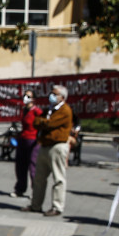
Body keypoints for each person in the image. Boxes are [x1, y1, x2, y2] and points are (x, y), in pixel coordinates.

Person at [28, 85, 73, 217]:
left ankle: (57, 207)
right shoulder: (49, 110)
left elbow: (50, 124)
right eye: (51, 93)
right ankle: (36, 204)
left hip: (57, 146)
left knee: (58, 178)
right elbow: (37, 122)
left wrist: (44, 122)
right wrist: (44, 121)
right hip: (45, 145)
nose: (51, 96)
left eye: (55, 94)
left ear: (62, 97)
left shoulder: (65, 110)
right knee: (39, 178)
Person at [11, 89, 42, 199]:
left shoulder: (36, 111)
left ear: (33, 99)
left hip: (33, 141)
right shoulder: (24, 110)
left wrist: (39, 138)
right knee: (20, 166)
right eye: (25, 95)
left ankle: (36, 191)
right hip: (23, 139)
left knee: (32, 167)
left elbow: (42, 124)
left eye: (28, 96)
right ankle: (20, 188)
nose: (25, 98)